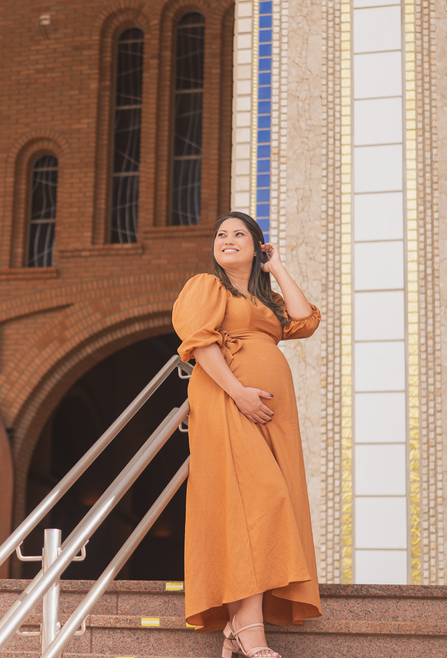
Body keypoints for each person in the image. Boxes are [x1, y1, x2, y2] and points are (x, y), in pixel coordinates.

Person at [172, 212, 322, 658]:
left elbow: (304, 320)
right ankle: (248, 629)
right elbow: (200, 343)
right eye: (221, 234)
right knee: (260, 501)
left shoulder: (265, 300)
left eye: (240, 235)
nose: (228, 240)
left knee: (259, 507)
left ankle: (241, 626)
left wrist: (275, 267)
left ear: (257, 247)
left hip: (272, 414)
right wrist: (238, 393)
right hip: (228, 400)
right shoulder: (207, 286)